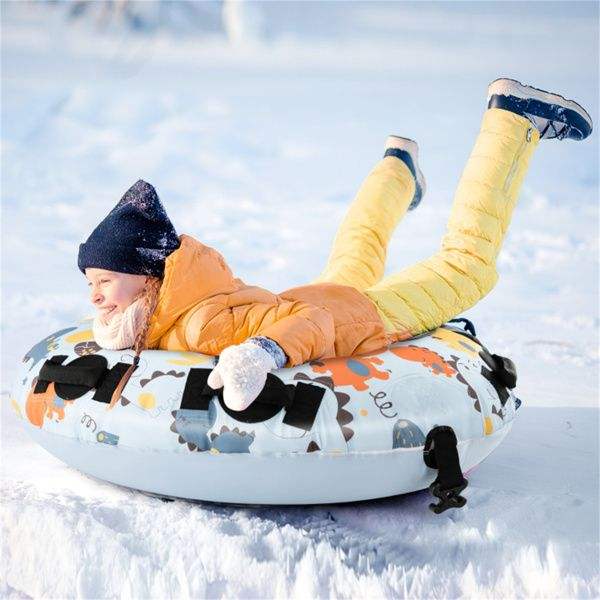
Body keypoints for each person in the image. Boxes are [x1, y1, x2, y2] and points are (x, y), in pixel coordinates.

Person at [78, 77, 593, 412]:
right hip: (320, 295)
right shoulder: (174, 304)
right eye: (91, 283)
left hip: (359, 316)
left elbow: (314, 324)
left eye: (106, 281)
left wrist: (261, 352)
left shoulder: (200, 324)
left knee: (467, 263)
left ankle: (512, 122)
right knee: (357, 252)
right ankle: (397, 168)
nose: (96, 295)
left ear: (147, 278)